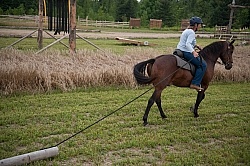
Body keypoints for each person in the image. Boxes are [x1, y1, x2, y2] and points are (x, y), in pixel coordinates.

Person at [177, 16, 207, 91]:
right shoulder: (191, 32)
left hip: (180, 49)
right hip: (186, 51)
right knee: (202, 65)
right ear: (196, 25)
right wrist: (193, 52)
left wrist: (196, 46)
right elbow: (187, 44)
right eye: (199, 24)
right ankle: (195, 83)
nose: (200, 26)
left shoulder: (187, 30)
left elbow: (189, 42)